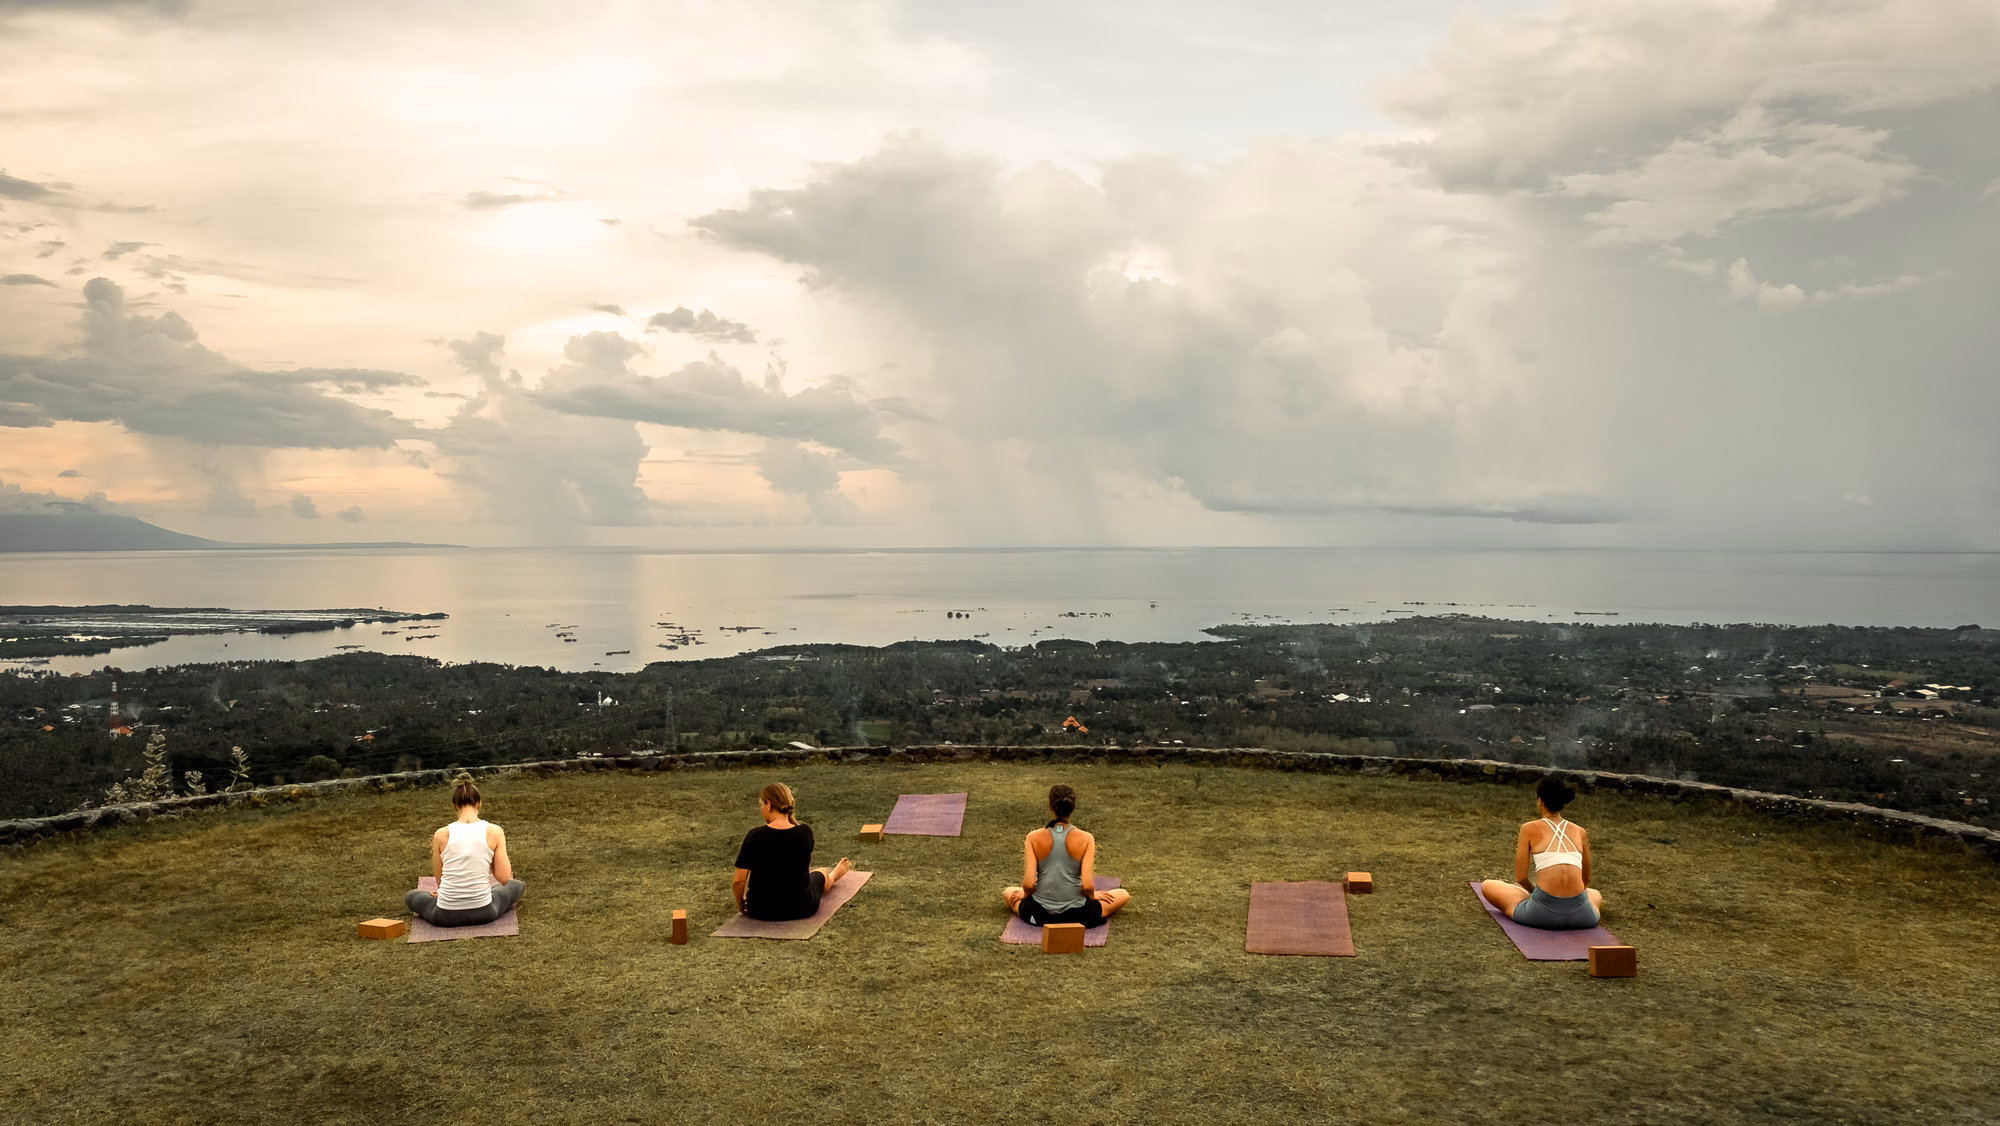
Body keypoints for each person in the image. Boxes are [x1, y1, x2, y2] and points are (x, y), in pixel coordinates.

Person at [1479, 776, 1604, 929]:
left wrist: (1534, 893)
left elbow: (1522, 878)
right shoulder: (1580, 831)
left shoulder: (1528, 828)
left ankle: (1532, 896)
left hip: (1541, 915)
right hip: (1584, 916)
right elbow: (1586, 880)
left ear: (1540, 801)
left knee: (1488, 885)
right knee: (1594, 894)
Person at [405, 772, 526, 926]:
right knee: (517, 885)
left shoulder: (441, 835)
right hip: (485, 912)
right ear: (479, 803)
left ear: (455, 806)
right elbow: (504, 878)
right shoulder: (494, 831)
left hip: (444, 915)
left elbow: (441, 881)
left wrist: (444, 893)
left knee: (412, 895)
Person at [1003, 783, 1132, 926]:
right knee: (1122, 894)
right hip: (1080, 914)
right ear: (1073, 808)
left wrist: (1025, 894)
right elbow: (1087, 886)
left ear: (1050, 807)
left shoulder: (1033, 837)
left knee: (1009, 892)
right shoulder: (1086, 838)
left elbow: (1029, 884)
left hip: (1040, 913)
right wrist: (1094, 896)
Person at [733, 782, 851, 921]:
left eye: (761, 804)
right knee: (821, 872)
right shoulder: (804, 833)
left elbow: (739, 880)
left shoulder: (754, 836)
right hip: (801, 907)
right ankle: (833, 875)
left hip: (760, 909)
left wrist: (741, 904)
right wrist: (789, 816)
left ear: (769, 805)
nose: (761, 809)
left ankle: (834, 875)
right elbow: (795, 832)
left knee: (814, 875)